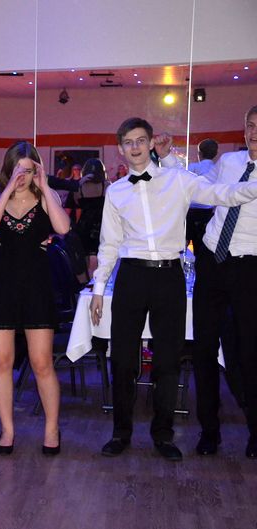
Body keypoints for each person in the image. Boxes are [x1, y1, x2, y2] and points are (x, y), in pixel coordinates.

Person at [91, 117, 257, 461]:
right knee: (122, 360)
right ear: (120, 149)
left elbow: (223, 194)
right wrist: (98, 289)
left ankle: (163, 435)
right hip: (131, 276)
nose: (135, 147)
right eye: (128, 142)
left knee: (168, 361)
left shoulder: (178, 179)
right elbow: (109, 244)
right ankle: (120, 433)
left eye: (140, 140)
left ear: (151, 142)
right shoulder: (116, 191)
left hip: (169, 277)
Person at [0, 141, 71, 455]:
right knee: (1, 360)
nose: (23, 177)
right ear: (8, 169)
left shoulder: (46, 196)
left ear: (37, 171)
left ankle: (52, 428)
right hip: (2, 284)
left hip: (37, 284)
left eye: (29, 171)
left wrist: (45, 187)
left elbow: (63, 227)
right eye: (18, 170)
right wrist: (7, 189)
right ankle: (7, 429)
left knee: (42, 362)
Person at [192, 107, 257, 459]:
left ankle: (255, 431)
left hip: (250, 266)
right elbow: (200, 188)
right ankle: (209, 431)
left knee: (249, 352)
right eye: (250, 126)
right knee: (203, 348)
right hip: (212, 258)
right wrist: (168, 161)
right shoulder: (230, 161)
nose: (254, 132)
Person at [74, 158, 109, 276]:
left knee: (85, 254)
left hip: (84, 223)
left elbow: (77, 206)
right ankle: (98, 279)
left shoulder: (79, 187)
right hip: (102, 223)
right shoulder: (106, 185)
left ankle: (88, 280)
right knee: (100, 254)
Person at [186, 138, 219, 251]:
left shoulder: (193, 167)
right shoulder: (218, 169)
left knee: (189, 242)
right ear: (216, 153)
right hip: (209, 212)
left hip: (191, 211)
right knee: (204, 243)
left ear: (199, 153)